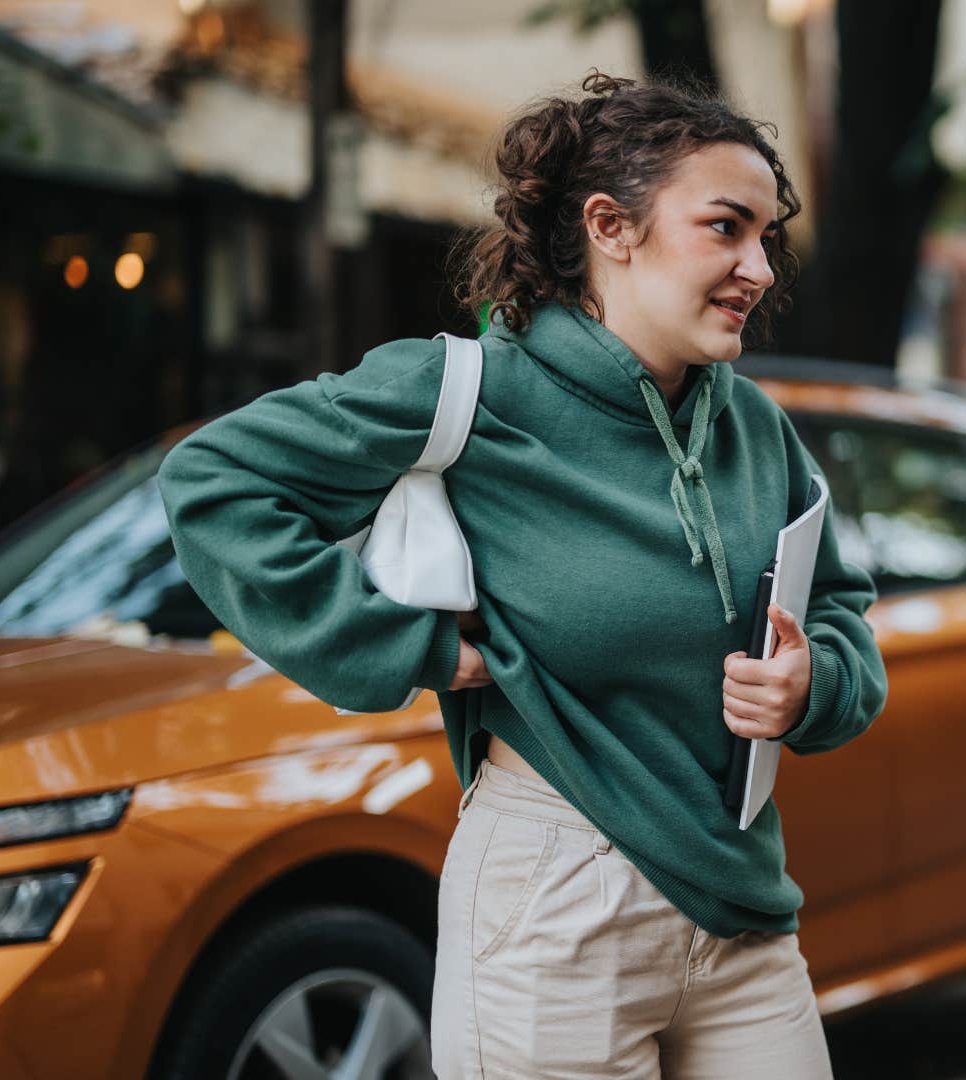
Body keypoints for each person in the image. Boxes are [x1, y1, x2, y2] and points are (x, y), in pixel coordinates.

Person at [160, 72, 887, 1079]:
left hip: (743, 908)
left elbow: (842, 608)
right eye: (727, 227)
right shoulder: (469, 391)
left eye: (768, 236)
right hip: (555, 901)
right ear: (610, 226)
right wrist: (406, 646)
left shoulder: (755, 428)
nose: (759, 267)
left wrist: (817, 685)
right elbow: (215, 484)